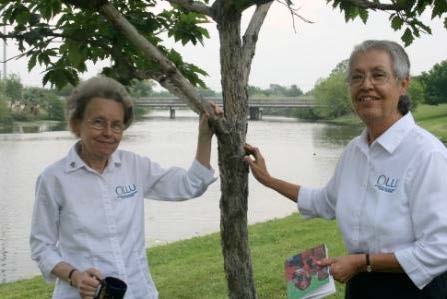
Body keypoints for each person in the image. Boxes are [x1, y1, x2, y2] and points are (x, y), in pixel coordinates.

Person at [244, 40, 447, 298]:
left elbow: (441, 249)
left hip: (415, 289)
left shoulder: (427, 155)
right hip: (361, 285)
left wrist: (363, 261)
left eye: (378, 75)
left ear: (403, 84)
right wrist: (269, 180)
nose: (366, 85)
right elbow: (325, 202)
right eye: (357, 77)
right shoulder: (355, 150)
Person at [30, 76, 222, 299]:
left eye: (117, 125)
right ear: (76, 124)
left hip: (139, 292)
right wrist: (74, 276)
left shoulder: (135, 167)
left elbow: (190, 185)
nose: (108, 133)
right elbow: (41, 246)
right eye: (98, 122)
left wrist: (205, 137)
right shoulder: (54, 179)